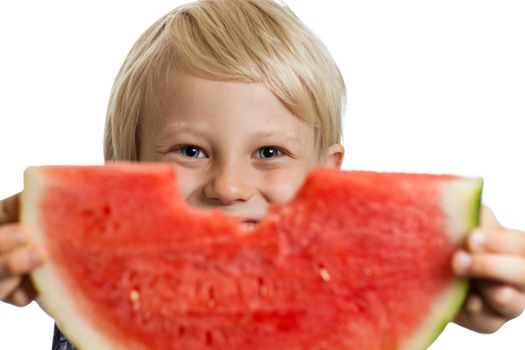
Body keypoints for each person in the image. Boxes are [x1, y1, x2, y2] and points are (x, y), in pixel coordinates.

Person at [1, 0, 524, 348]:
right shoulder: (93, 298)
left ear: (329, 174)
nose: (229, 187)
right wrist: (39, 251)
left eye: (270, 152)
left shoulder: (347, 294)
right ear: (123, 174)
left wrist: (450, 270)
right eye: (190, 150)